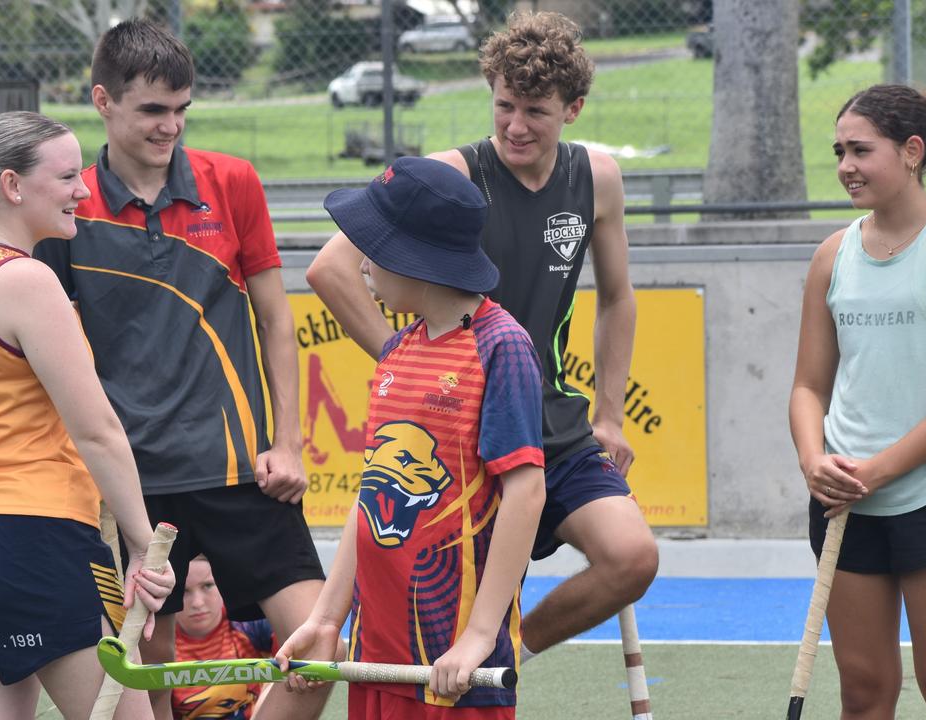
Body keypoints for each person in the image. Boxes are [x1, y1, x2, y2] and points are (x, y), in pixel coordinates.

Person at [304, 10, 658, 659]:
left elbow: (617, 297)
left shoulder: (598, 177)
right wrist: (404, 360)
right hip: (464, 436)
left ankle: (510, 648)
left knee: (632, 557)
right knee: (431, 619)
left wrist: (611, 414)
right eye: (504, 106)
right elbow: (330, 269)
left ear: (573, 108)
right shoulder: (453, 178)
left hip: (555, 424)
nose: (516, 126)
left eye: (536, 112)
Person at [33, 19, 333, 720]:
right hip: (134, 486)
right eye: (151, 111)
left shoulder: (234, 182)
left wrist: (288, 443)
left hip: (240, 471)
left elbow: (276, 321)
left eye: (181, 110)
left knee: (315, 650)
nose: (170, 127)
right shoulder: (69, 205)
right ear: (102, 100)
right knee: (149, 671)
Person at [0, 111, 173, 719]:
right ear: (13, 185)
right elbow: (97, 429)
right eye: (68, 176)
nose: (83, 189)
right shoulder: (26, 279)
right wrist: (140, 544)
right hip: (26, 535)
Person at [277, 156, 546, 718]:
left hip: (450, 664)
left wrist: (478, 634)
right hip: (380, 652)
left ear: (416, 258)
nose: (363, 263)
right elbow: (372, 493)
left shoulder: (501, 347)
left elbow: (526, 494)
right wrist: (327, 618)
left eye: (374, 247)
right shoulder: (399, 349)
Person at [789, 84, 926, 719]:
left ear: (911, 151)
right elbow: (808, 386)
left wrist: (880, 470)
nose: (846, 165)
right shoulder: (832, 255)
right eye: (839, 150)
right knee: (866, 693)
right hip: (846, 504)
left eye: (861, 150)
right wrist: (812, 459)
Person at [173, 556, 276, 719]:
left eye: (207, 586)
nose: (197, 603)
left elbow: (301, 656)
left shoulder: (248, 622)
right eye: (183, 591)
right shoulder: (158, 641)